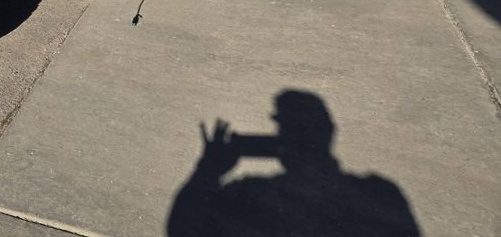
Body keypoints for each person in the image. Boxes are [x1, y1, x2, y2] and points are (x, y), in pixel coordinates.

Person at [167, 90, 420, 236]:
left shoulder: (249, 195)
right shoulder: (380, 194)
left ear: (281, 139)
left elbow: (181, 228)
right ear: (329, 131)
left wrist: (208, 170)